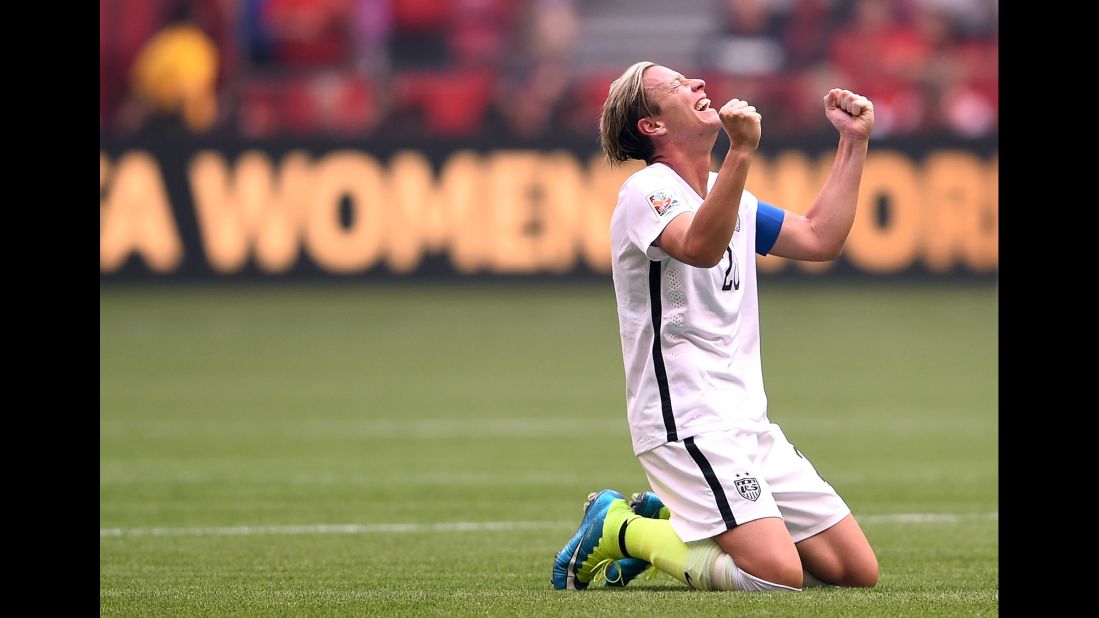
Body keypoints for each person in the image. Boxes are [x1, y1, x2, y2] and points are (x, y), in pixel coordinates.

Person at [551, 61, 879, 592]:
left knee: (854, 572)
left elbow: (821, 238)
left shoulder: (729, 197)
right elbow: (699, 247)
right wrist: (742, 152)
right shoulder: (646, 191)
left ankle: (672, 519)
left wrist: (853, 142)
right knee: (775, 577)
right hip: (686, 420)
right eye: (677, 86)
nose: (698, 85)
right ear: (652, 126)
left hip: (746, 419)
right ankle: (623, 528)